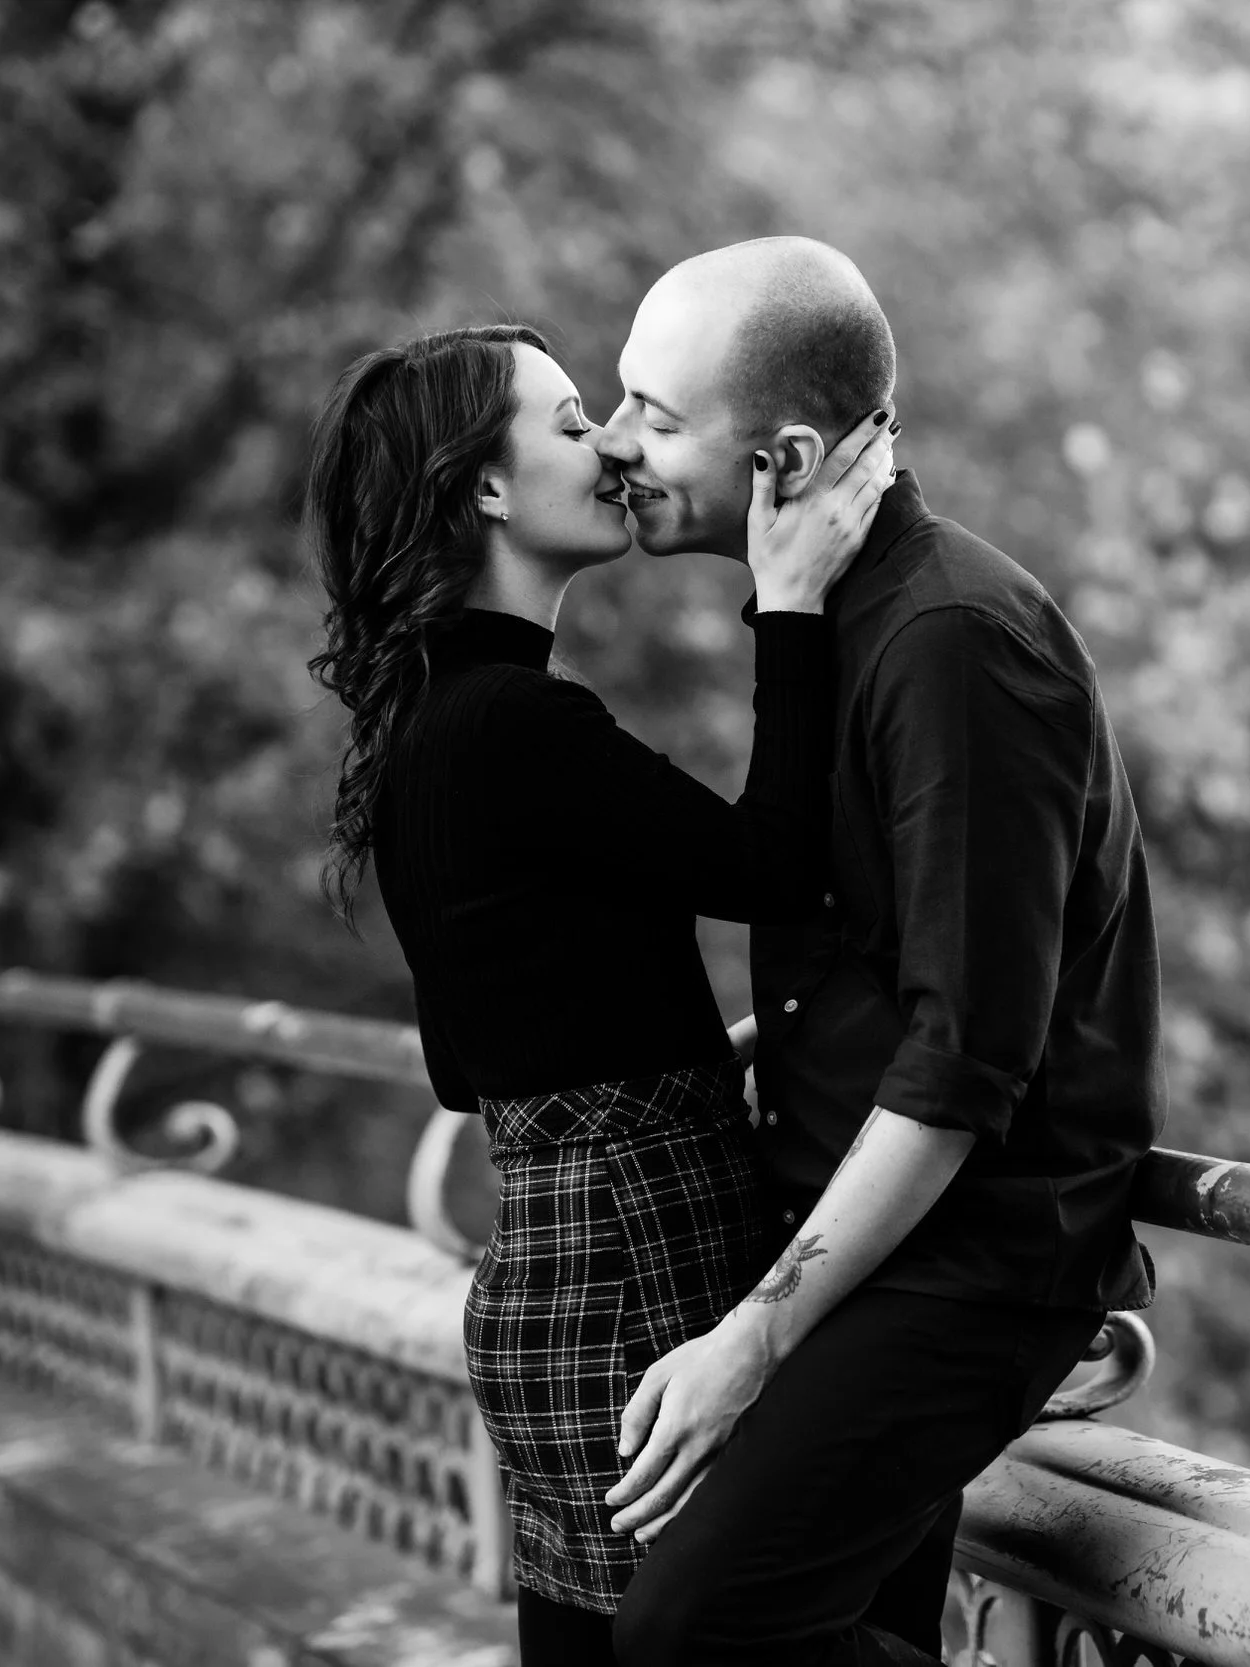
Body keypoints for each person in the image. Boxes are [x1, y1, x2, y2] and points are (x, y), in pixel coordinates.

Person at [588, 239, 1165, 1667]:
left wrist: (753, 1342)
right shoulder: (832, 616)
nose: (612, 444)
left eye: (653, 415)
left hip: (973, 1261)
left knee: (691, 1634)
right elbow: (860, 965)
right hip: (861, 1229)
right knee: (835, 1623)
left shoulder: (954, 638)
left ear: (783, 455)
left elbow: (966, 1056)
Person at [303, 322, 897, 1666]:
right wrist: (788, 599)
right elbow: (779, 868)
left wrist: (686, 1047)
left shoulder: (423, 733)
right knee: (737, 1636)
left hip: (550, 1261)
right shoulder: (515, 726)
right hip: (639, 1258)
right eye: (572, 422)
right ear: (488, 490)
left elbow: (470, 1059)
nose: (613, 444)